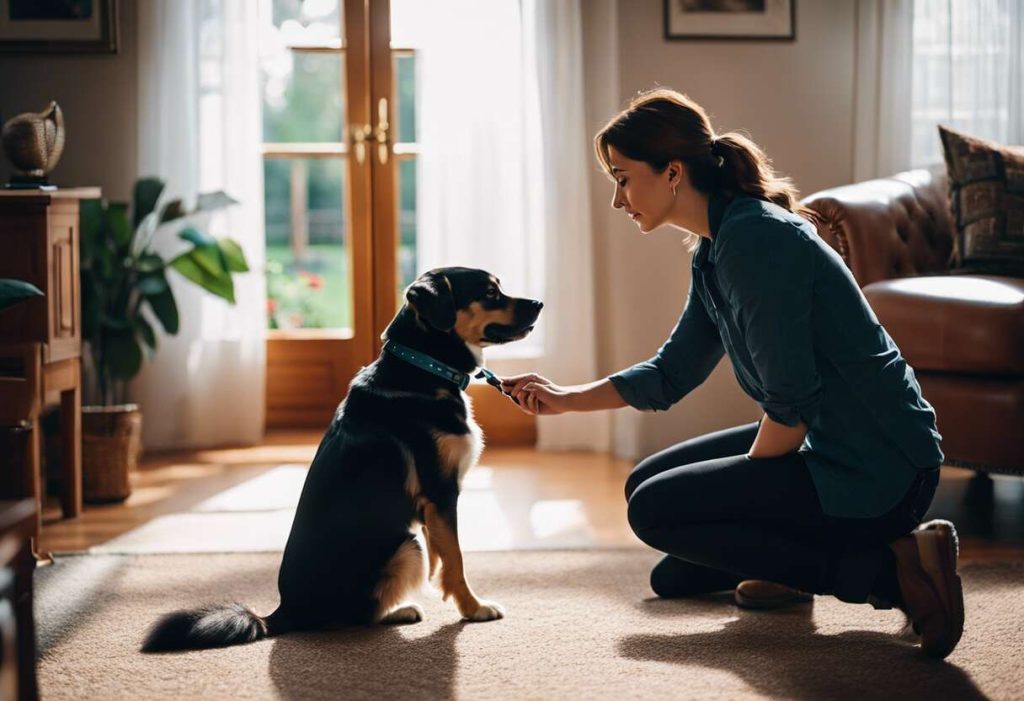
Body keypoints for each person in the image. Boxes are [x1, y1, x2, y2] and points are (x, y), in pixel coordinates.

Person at [498, 88, 964, 659]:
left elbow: (788, 408)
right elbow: (672, 374)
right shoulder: (716, 246)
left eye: (622, 178)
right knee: (651, 508)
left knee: (655, 509)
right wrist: (566, 399)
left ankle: (892, 575)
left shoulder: (756, 240)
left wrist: (746, 498)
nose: (618, 201)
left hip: (881, 465)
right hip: (832, 437)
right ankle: (794, 563)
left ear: (671, 172)